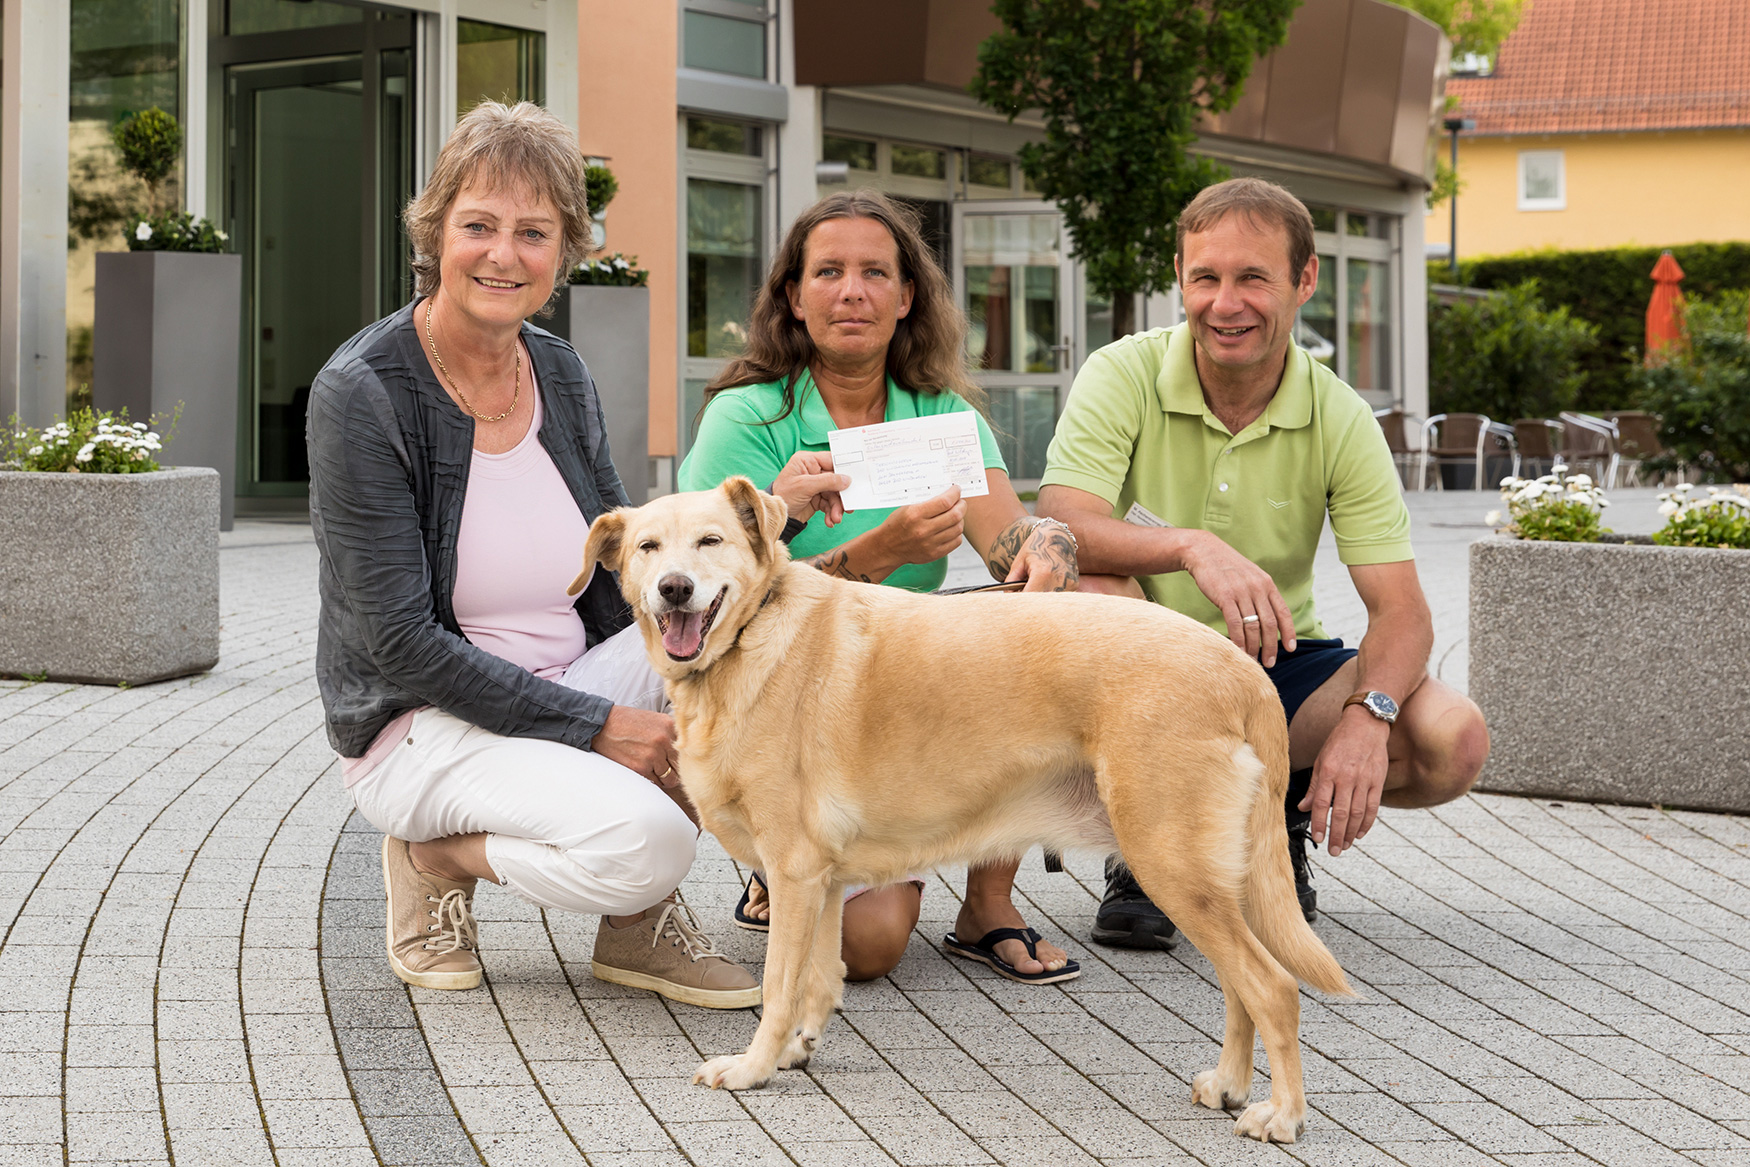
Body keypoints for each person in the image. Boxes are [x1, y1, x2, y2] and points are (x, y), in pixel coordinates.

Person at [306, 101, 758, 1007]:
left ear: (563, 251)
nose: (503, 254)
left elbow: (620, 559)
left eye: (533, 232)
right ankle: (433, 855)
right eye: (478, 226)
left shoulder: (557, 368)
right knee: (649, 843)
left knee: (742, 643)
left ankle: (635, 933)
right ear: (436, 233)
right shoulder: (363, 393)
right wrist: (604, 728)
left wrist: (706, 657)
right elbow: (398, 640)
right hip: (423, 725)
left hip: (569, 682)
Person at [1036, 177, 1490, 949]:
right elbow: (1063, 519)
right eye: (1205, 278)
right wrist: (1191, 544)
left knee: (1452, 738)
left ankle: (1271, 813)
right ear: (1180, 279)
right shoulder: (1123, 372)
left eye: (1253, 277)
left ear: (1304, 280)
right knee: (1096, 579)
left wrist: (1366, 719)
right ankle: (1146, 848)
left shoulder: (1340, 414)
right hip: (1132, 675)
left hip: (1268, 663)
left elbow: (1405, 611)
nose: (1225, 302)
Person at [678, 190, 1083, 985]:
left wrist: (1051, 552)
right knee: (867, 950)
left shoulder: (943, 419)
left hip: (901, 685)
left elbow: (1012, 548)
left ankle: (987, 903)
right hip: (785, 698)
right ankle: (778, 848)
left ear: (907, 298)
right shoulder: (746, 418)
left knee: (1049, 623)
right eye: (827, 271)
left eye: (874, 273)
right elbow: (714, 613)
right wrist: (873, 558)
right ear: (793, 296)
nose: (851, 291)